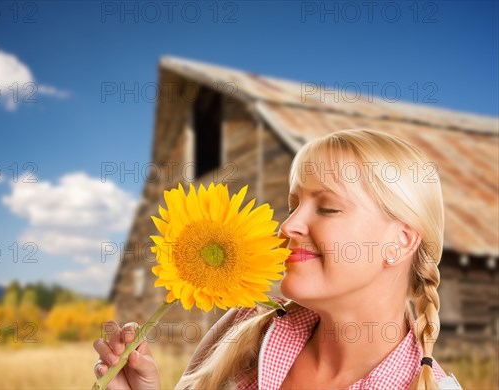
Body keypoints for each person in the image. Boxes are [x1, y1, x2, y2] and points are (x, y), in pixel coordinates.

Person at [93, 129, 463, 389]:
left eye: (328, 208)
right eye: (293, 205)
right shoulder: (242, 328)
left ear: (400, 241)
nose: (288, 226)